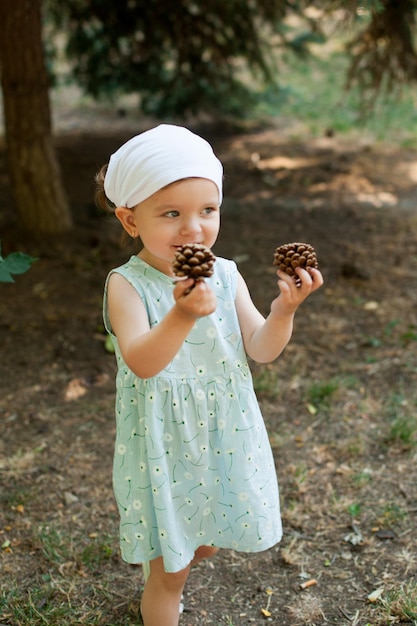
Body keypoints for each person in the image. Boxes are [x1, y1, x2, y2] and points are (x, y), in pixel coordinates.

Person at [96, 124, 323, 626]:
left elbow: (260, 349)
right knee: (171, 570)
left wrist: (284, 309)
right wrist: (181, 315)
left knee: (206, 542)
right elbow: (143, 361)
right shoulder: (127, 286)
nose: (193, 229)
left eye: (207, 210)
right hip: (162, 440)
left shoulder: (226, 273)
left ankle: (170, 567)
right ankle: (161, 595)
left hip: (222, 433)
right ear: (130, 219)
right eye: (171, 214)